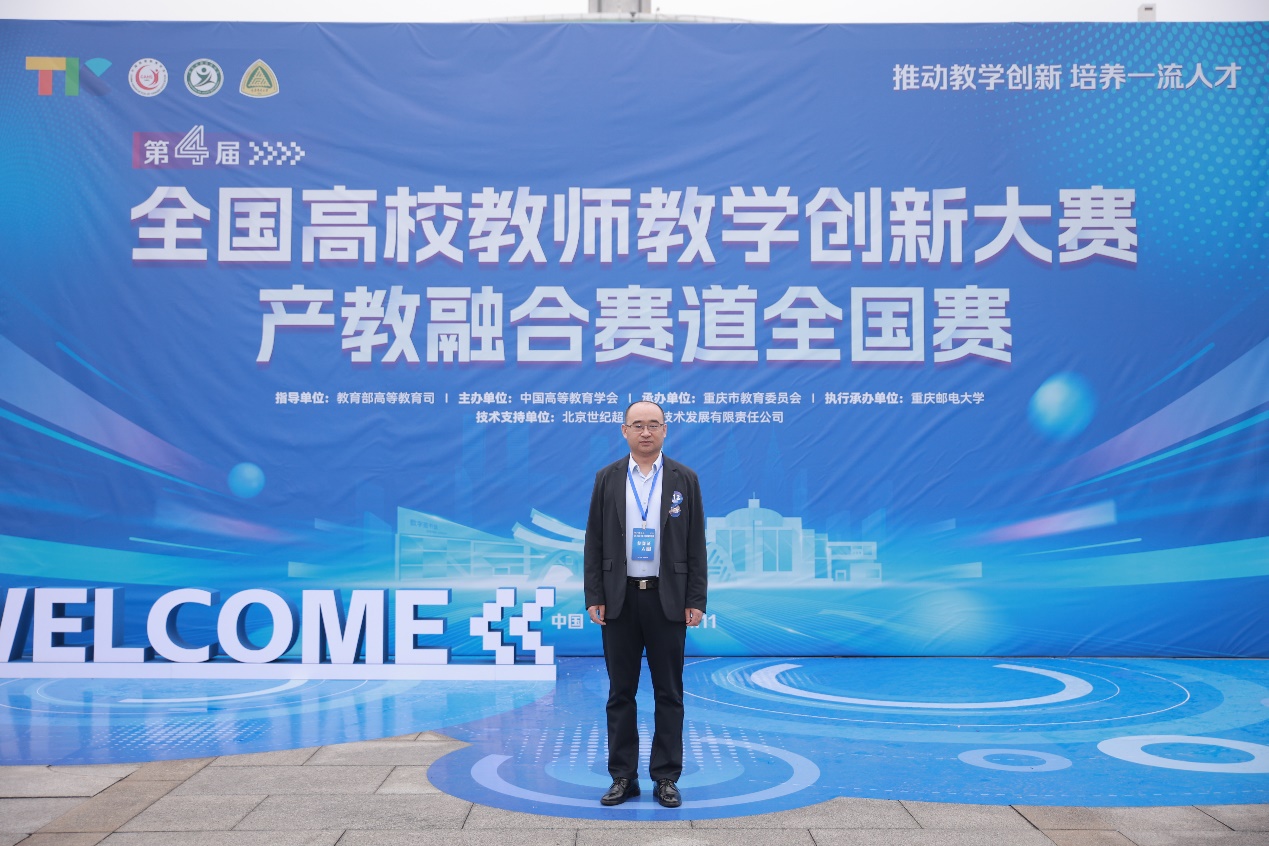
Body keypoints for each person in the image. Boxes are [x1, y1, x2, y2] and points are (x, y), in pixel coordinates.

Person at [584, 400, 708, 808]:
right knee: (620, 693)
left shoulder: (684, 478)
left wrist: (695, 598)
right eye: (637, 425)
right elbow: (594, 541)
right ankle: (623, 777)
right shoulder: (607, 478)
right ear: (624, 431)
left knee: (669, 693)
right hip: (618, 599)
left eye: (653, 424)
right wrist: (595, 595)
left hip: (666, 599)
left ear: (665, 430)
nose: (645, 432)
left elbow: (695, 543)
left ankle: (666, 777)